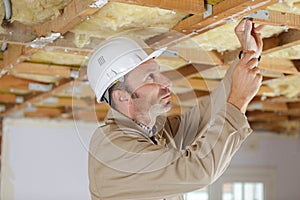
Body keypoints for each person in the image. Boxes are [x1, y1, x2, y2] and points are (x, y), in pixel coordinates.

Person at [87, 18, 263, 200]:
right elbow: (197, 171)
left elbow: (205, 116)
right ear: (122, 96)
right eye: (150, 77)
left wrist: (247, 58)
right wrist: (239, 99)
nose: (166, 82)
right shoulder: (113, 148)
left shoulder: (156, 132)